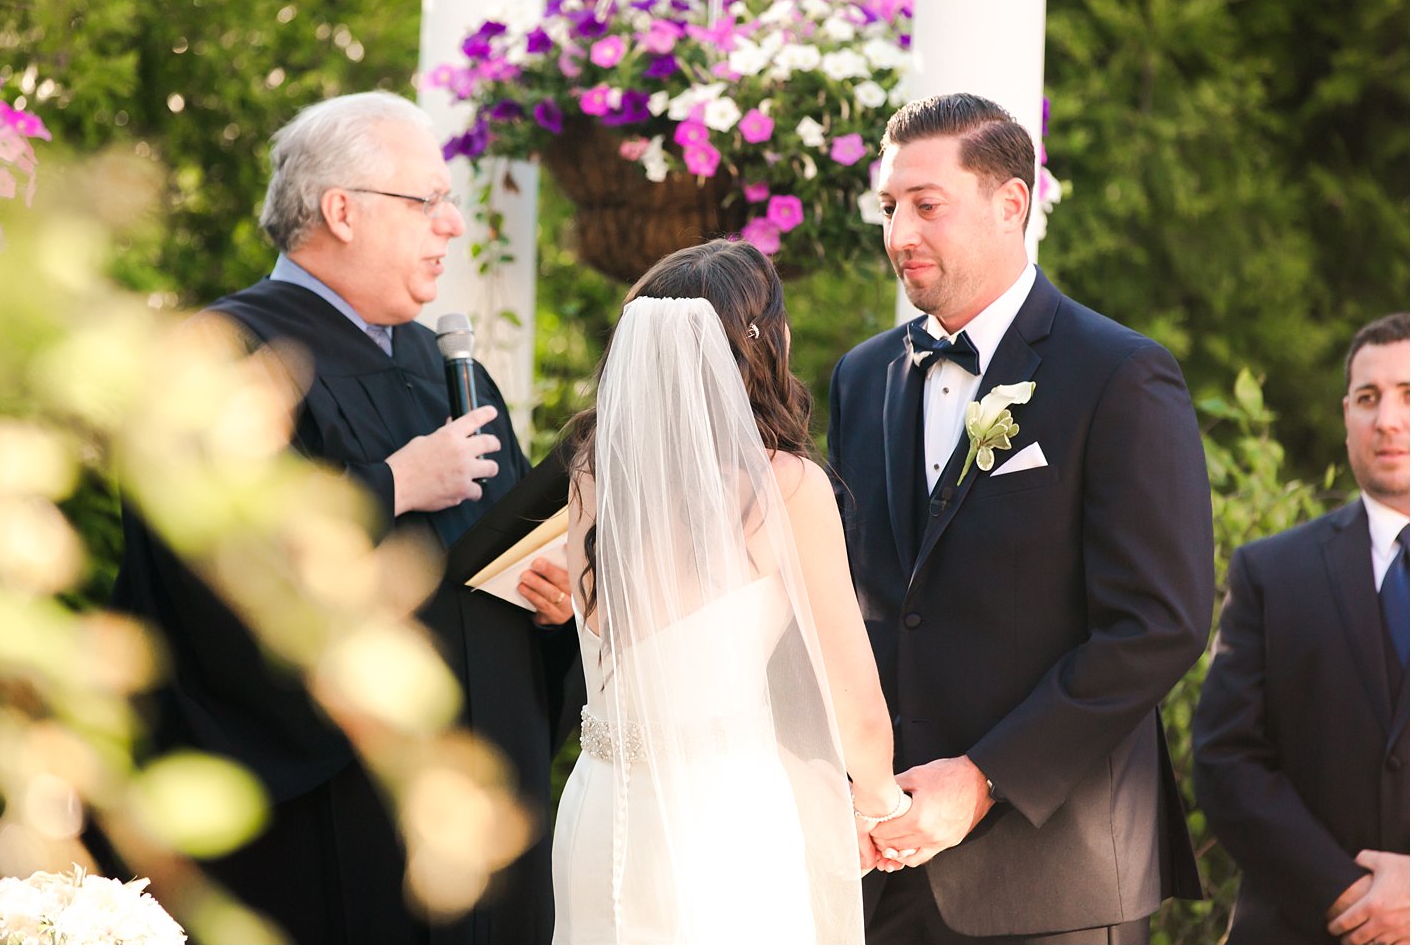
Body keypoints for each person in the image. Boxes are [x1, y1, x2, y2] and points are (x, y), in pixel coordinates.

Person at [110, 91, 577, 944]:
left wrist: (553, 602)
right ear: (342, 210)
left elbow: (494, 556)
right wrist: (388, 485)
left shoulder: (446, 372)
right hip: (341, 807)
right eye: (428, 201)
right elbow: (205, 561)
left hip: (480, 800)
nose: (452, 227)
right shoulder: (229, 353)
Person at [827, 93, 1213, 943]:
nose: (899, 235)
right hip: (882, 875)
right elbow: (856, 603)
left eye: (927, 206)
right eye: (890, 208)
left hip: (1056, 879)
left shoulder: (1120, 372)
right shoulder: (860, 379)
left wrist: (983, 777)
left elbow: (1159, 623)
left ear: (1012, 205)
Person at [552, 240, 902, 944]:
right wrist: (881, 799)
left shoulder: (595, 471)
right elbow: (853, 700)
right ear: (761, 343)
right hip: (721, 817)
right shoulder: (787, 485)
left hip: (598, 804)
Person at [1193, 312, 1409, 945]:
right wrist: (1348, 897)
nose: (1388, 420)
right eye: (1368, 399)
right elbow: (1226, 760)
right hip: (1303, 925)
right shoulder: (1272, 571)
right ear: (1346, 416)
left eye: (1407, 395)